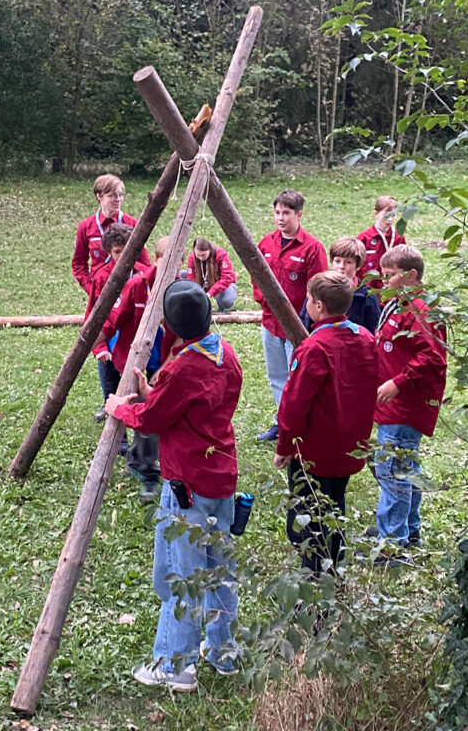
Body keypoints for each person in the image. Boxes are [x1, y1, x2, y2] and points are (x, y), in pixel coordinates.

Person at [105, 280, 244, 692]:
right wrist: (157, 393)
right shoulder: (226, 355)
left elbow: (151, 420)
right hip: (221, 478)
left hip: (187, 484)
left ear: (169, 325)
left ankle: (174, 664)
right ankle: (223, 651)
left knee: (180, 573)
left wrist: (121, 407)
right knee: (219, 569)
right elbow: (196, 405)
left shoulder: (181, 367)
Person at [275, 272, 378, 576]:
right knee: (335, 503)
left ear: (318, 306)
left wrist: (285, 446)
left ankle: (315, 578)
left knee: (309, 515)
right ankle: (334, 566)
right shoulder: (366, 338)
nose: (306, 303)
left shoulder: (314, 348)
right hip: (350, 445)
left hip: (315, 451)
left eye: (308, 299)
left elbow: (294, 404)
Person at [372, 245, 447, 561]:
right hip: (392, 406)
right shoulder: (399, 303)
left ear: (412, 275)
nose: (384, 281)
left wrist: (398, 382)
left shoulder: (421, 310)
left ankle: (392, 544)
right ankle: (409, 530)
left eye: (390, 275)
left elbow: (432, 357)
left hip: (404, 407)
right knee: (406, 470)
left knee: (392, 472)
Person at [93, 237, 176, 500]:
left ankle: (146, 468)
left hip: (163, 365)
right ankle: (141, 466)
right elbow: (112, 321)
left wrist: (164, 368)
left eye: (175, 263)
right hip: (132, 362)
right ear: (156, 259)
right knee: (138, 413)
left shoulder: (182, 290)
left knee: (151, 417)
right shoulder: (138, 285)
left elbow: (183, 338)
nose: (169, 269)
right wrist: (94, 343)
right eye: (165, 261)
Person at [253, 189, 328, 442]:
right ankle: (282, 423)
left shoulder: (313, 248)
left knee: (297, 378)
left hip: (297, 327)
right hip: (270, 323)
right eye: (277, 212)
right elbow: (256, 276)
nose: (280, 218)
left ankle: (302, 426)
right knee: (276, 376)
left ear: (299, 215)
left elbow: (318, 288)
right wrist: (263, 301)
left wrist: (306, 321)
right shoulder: (267, 243)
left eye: (286, 213)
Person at [91, 223, 150, 435]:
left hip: (141, 341)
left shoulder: (145, 274)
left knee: (142, 393)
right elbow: (94, 317)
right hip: (110, 341)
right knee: (112, 389)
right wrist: (99, 348)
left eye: (128, 251)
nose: (123, 256)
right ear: (109, 252)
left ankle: (143, 446)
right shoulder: (101, 278)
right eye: (117, 252)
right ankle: (118, 440)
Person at [71, 174, 151, 298]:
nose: (118, 199)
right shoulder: (86, 226)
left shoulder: (132, 224)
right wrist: (92, 290)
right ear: (99, 196)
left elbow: (144, 262)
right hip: (99, 289)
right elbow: (79, 264)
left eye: (120, 195)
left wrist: (137, 287)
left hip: (128, 289)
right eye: (112, 195)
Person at [300, 237, 380, 334]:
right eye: (337, 261)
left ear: (358, 266)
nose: (341, 266)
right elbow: (305, 322)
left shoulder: (367, 297)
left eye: (348, 262)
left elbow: (373, 331)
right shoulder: (318, 289)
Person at [357, 196, 405, 289]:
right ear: (376, 214)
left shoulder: (398, 238)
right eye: (386, 215)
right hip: (369, 290)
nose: (390, 219)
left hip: (392, 290)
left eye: (393, 215)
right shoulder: (364, 238)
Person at [186, 237, 238, 312]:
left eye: (203, 255)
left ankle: (222, 306)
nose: (201, 258)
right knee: (182, 275)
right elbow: (191, 278)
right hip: (203, 281)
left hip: (219, 282)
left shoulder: (221, 255)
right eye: (198, 255)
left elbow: (227, 277)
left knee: (227, 300)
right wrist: (196, 292)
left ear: (209, 251)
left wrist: (211, 293)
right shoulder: (192, 257)